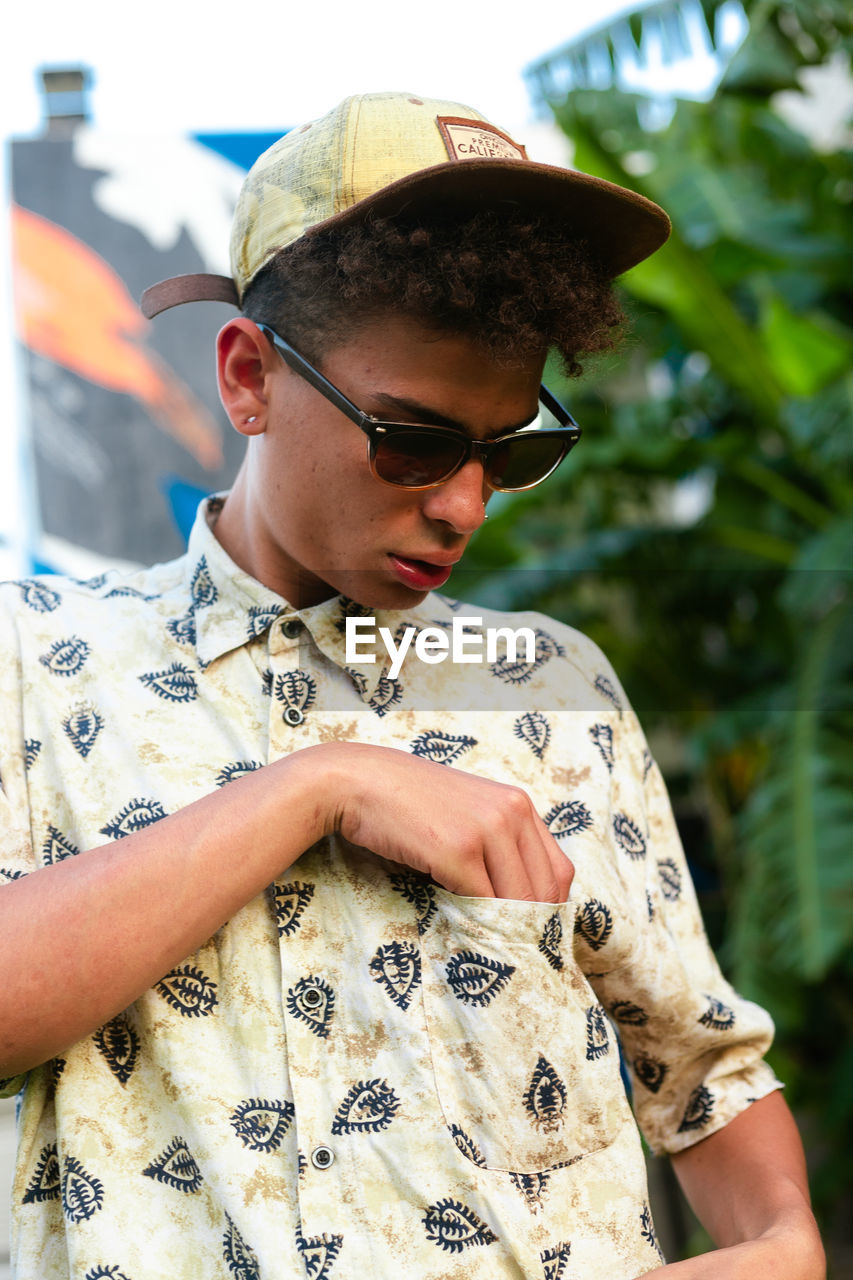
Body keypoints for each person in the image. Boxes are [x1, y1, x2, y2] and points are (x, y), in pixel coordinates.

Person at [0, 91, 824, 1280]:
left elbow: (700, 1069)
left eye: (514, 449)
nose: (465, 505)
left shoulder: (545, 685)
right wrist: (318, 786)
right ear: (247, 379)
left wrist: (783, 1241)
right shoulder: (32, 659)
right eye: (415, 440)